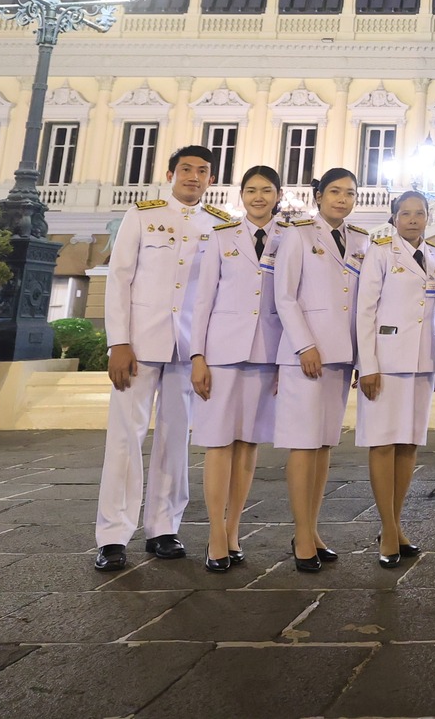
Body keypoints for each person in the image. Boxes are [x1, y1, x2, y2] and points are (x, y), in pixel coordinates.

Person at [94, 144, 229, 571]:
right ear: (170, 173)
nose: (194, 177)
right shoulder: (142, 215)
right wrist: (118, 341)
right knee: (125, 437)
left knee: (177, 439)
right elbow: (119, 280)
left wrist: (208, 352)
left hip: (189, 348)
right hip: (140, 344)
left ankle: (163, 528)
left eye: (202, 171)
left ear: (211, 180)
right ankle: (113, 535)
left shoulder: (221, 225)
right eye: (186, 169)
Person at [188, 164, 290, 571]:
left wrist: (287, 358)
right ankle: (215, 533)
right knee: (218, 444)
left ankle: (234, 529)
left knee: (248, 445)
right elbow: (202, 300)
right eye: (251, 190)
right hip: (223, 353)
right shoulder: (222, 237)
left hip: (266, 352)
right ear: (240, 195)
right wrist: (198, 356)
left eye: (266, 190)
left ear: (279, 195)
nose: (259, 197)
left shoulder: (289, 238)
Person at [273, 166, 364, 572]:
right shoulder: (298, 235)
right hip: (305, 354)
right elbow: (285, 296)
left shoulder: (360, 240)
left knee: (324, 445)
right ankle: (302, 535)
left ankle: (311, 528)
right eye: (335, 192)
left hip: (341, 354)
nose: (342, 199)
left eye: (348, 193)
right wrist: (304, 344)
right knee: (303, 443)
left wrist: (363, 356)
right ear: (319, 195)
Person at [356, 189, 435, 568]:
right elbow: (365, 311)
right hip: (387, 360)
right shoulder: (379, 251)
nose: (413, 220)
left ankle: (395, 522)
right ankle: (388, 530)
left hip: (423, 361)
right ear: (394, 217)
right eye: (405, 213)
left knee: (408, 444)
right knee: (382, 443)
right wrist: (368, 363)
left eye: (420, 213)